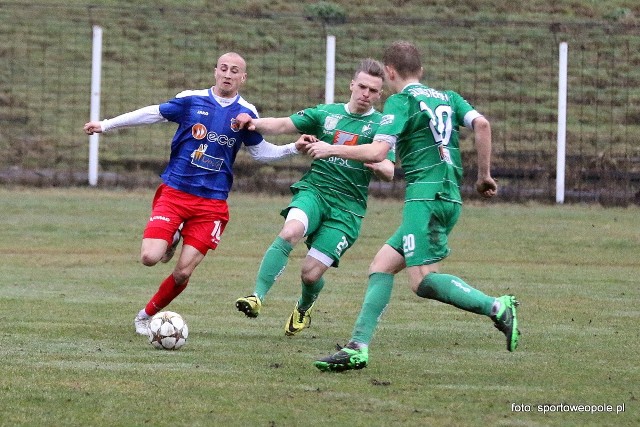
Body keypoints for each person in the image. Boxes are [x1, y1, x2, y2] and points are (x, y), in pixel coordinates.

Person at [305, 41, 520, 372]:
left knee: (422, 282)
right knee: (381, 266)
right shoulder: (449, 97)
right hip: (448, 194)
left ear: (389, 72)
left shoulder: (401, 101)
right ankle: (357, 347)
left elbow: (377, 153)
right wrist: (484, 176)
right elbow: (483, 125)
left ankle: (496, 306)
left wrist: (332, 149)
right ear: (420, 70)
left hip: (426, 199)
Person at [83, 52, 309, 336]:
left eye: (234, 70)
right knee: (150, 257)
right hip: (176, 192)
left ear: (243, 78)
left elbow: (261, 153)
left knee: (182, 272)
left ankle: (145, 316)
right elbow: (152, 113)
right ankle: (173, 235)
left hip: (212, 204)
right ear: (215, 71)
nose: (228, 74)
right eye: (224, 68)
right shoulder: (192, 100)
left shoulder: (246, 114)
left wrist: (292, 148)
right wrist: (106, 124)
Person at [234, 58, 396, 336]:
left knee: (310, 273)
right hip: (315, 191)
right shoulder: (326, 114)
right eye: (362, 87)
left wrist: (377, 164)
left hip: (347, 209)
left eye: (373, 90)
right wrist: (253, 122)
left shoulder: (383, 125)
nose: (365, 94)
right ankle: (256, 297)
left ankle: (304, 307)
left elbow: (390, 171)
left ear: (380, 94)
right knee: (289, 232)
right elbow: (284, 124)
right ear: (351, 85)